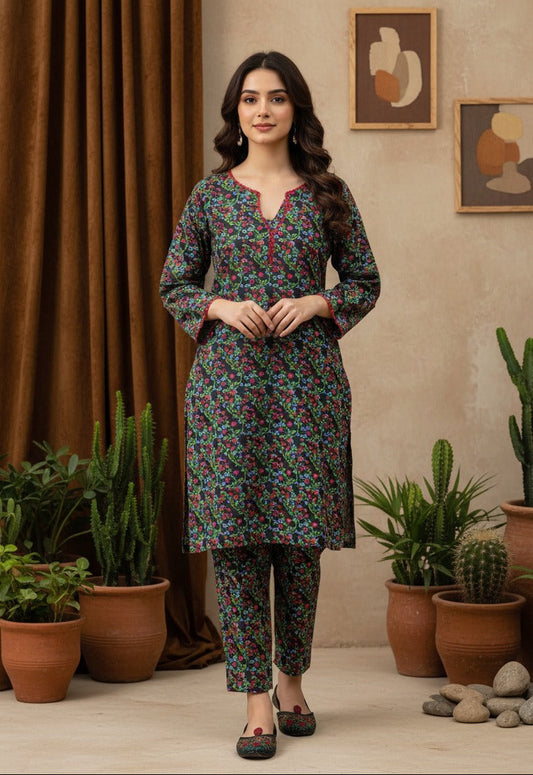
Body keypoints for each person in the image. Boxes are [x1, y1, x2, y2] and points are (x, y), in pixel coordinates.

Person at [159, 50, 380, 760]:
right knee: (237, 542)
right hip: (227, 389)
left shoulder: (327, 193)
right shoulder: (210, 195)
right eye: (250, 98)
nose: (262, 110)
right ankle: (255, 700)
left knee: (298, 542)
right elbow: (175, 284)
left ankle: (292, 678)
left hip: (307, 385)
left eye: (276, 98)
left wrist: (317, 300)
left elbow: (364, 280)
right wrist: (219, 305)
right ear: (236, 114)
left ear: (295, 110)